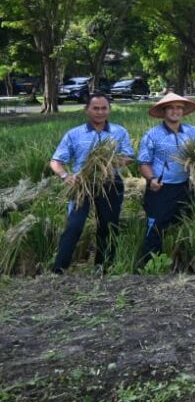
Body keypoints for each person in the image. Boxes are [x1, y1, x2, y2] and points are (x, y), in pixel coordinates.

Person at [51, 93, 135, 274]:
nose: (100, 112)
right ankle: (59, 269)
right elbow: (56, 161)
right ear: (86, 110)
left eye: (104, 108)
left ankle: (103, 267)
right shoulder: (74, 134)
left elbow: (129, 157)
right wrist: (66, 176)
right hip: (82, 184)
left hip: (110, 183)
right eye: (95, 108)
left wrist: (108, 164)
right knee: (74, 225)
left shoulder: (119, 132)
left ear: (109, 110)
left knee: (108, 225)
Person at [136, 93, 195, 270]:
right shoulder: (152, 135)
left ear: (183, 111)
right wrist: (151, 179)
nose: (175, 111)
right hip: (161, 188)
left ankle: (184, 265)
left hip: (185, 188)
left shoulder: (192, 132)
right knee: (156, 228)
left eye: (179, 107)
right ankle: (150, 267)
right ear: (164, 111)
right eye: (171, 107)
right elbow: (143, 162)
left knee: (187, 226)